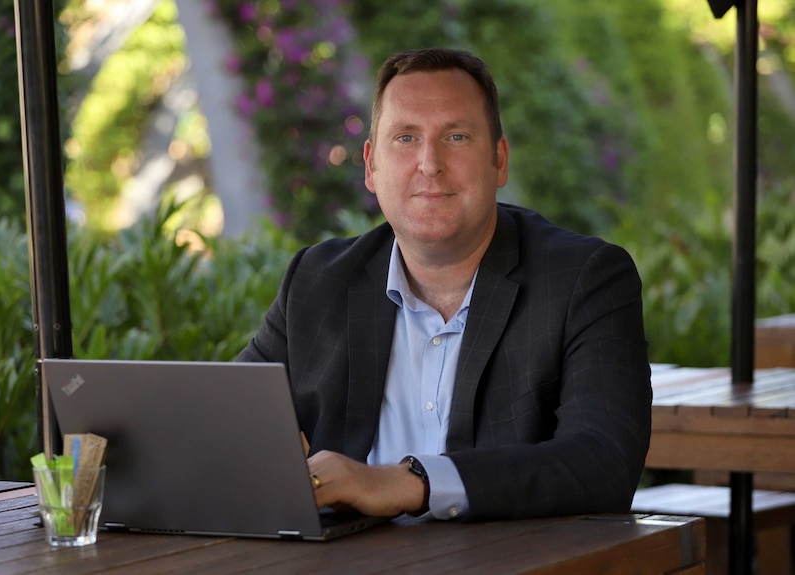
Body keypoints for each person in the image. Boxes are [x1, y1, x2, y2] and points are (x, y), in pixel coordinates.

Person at [237, 47, 651, 522]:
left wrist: (409, 482)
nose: (429, 163)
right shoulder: (316, 281)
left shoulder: (586, 279)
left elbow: (604, 463)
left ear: (499, 159)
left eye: (456, 136)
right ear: (371, 166)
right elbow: (229, 422)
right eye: (406, 137)